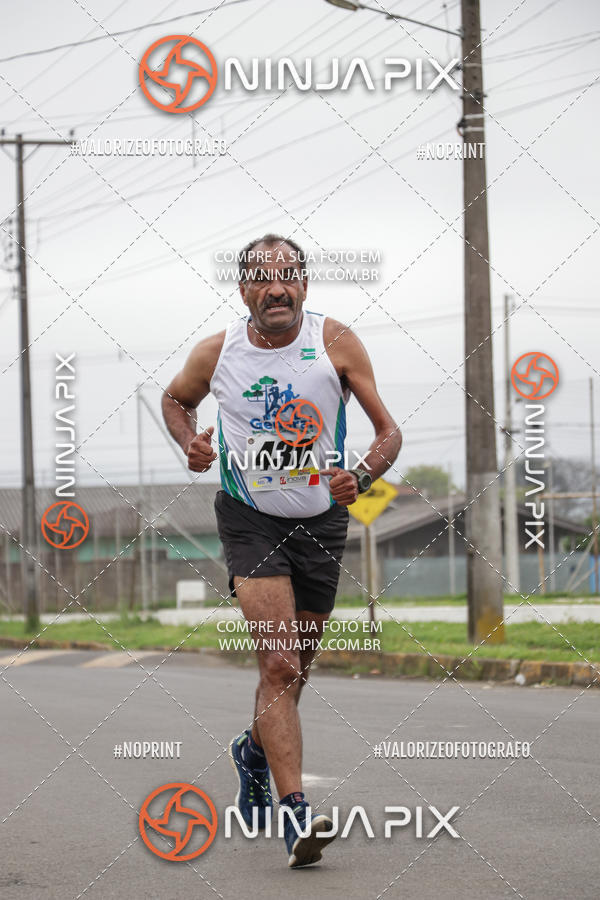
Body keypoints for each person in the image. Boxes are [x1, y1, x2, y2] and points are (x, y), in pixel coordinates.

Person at [162, 234, 402, 867]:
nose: (277, 287)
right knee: (278, 665)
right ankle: (296, 817)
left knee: (298, 672)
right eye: (263, 278)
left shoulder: (336, 343)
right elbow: (174, 399)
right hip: (249, 519)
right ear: (243, 289)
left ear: (304, 284)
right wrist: (189, 440)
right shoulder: (218, 353)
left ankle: (250, 750)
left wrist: (365, 475)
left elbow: (387, 431)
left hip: (321, 524)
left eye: (289, 275)